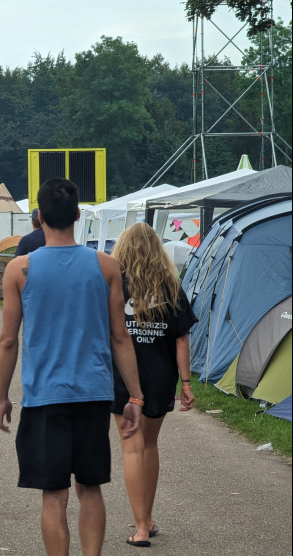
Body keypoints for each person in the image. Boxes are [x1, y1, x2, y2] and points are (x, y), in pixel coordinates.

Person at [0, 178, 144, 556]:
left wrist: (1, 397)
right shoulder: (106, 266)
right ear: (78, 215)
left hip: (45, 396)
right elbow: (121, 337)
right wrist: (136, 396)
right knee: (90, 487)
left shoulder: (19, 270)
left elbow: (9, 339)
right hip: (93, 393)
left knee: (53, 494)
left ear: (39, 217)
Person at [109, 223, 197, 547]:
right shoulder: (170, 286)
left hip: (122, 375)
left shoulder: (115, 284)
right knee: (149, 446)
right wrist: (186, 385)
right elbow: (181, 339)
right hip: (161, 377)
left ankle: (141, 527)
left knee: (131, 448)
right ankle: (147, 517)